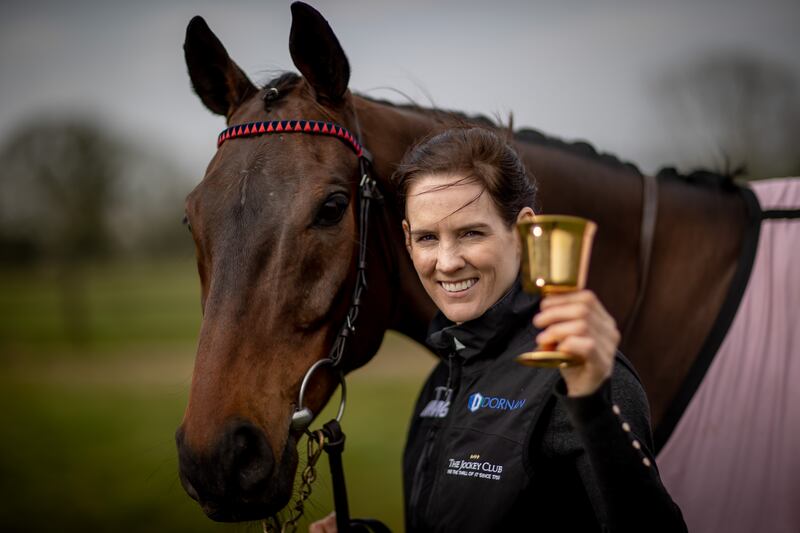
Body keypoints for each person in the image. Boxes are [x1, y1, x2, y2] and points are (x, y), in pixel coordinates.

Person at [311, 127, 686, 532]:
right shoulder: (443, 375)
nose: (447, 261)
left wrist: (593, 406)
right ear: (407, 240)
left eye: (470, 232)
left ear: (525, 231)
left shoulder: (585, 376)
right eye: (427, 238)